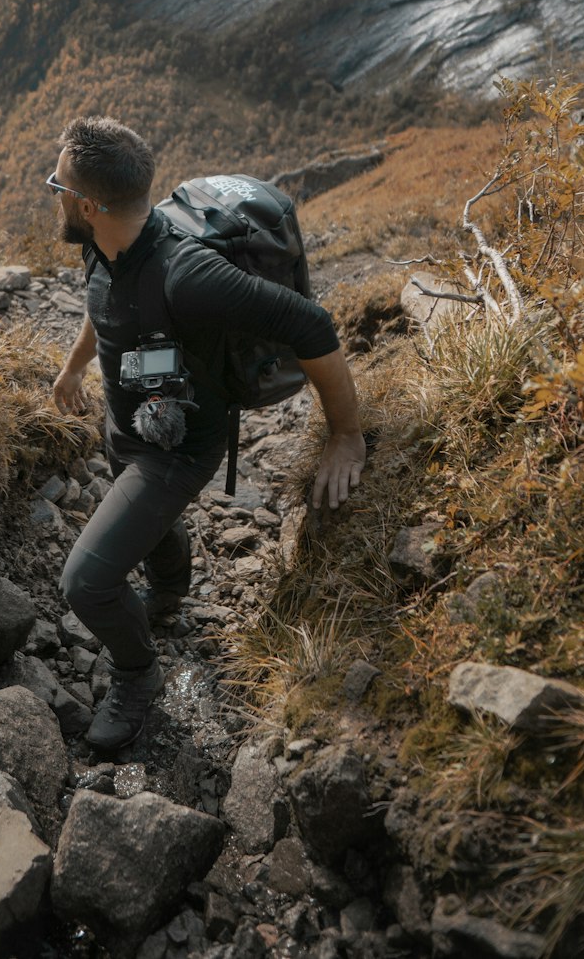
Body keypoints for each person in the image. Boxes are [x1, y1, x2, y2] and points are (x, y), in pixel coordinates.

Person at [49, 115, 366, 752]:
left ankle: (138, 676)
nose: (52, 193)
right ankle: (169, 591)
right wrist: (75, 366)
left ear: (87, 204)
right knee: (148, 528)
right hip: (127, 426)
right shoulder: (102, 240)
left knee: (84, 583)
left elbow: (312, 323)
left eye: (57, 186)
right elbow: (101, 298)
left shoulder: (187, 274)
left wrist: (346, 436)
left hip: (177, 450)